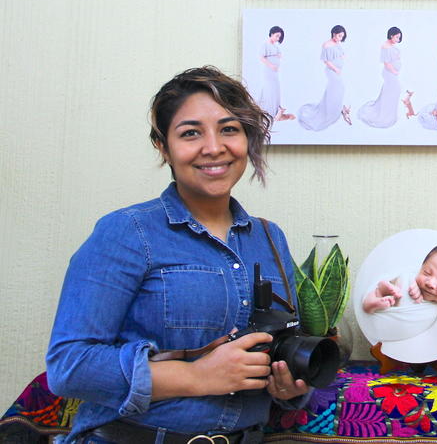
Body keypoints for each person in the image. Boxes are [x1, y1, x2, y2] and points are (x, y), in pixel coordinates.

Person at [45, 67, 310, 443]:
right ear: (163, 146)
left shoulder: (269, 238)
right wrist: (197, 376)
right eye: (190, 133)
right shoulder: (127, 232)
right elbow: (68, 367)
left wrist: (289, 387)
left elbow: (284, 347)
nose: (214, 147)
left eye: (229, 129)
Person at [361, 241, 437, 342]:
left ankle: (381, 298)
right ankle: (378, 295)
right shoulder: (412, 280)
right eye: (427, 273)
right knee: (403, 283)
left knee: (399, 295)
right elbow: (407, 272)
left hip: (396, 325)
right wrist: (410, 282)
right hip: (393, 294)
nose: (430, 283)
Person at [298, 25, 351, 130]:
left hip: (338, 71)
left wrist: (342, 58)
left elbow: (340, 54)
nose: (341, 38)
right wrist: (335, 69)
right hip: (332, 71)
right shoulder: (327, 45)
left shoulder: (337, 43)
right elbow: (326, 61)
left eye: (342, 37)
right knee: (337, 89)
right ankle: (331, 111)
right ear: (334, 34)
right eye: (339, 36)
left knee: (335, 91)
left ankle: (336, 108)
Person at [358, 27, 403, 128]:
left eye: (399, 38)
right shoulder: (385, 47)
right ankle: (384, 115)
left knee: (390, 92)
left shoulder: (391, 46)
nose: (398, 40)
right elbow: (386, 63)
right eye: (397, 37)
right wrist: (394, 71)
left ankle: (389, 113)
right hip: (390, 73)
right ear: (391, 35)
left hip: (392, 73)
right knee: (393, 90)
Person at [258, 26, 295, 122]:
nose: (278, 38)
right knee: (269, 89)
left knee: (275, 90)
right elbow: (261, 57)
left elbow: (280, 56)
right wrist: (271, 65)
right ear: (271, 34)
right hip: (269, 71)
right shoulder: (265, 45)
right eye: (277, 36)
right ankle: (269, 111)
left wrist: (278, 56)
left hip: (274, 73)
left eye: (279, 37)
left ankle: (275, 110)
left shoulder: (275, 46)